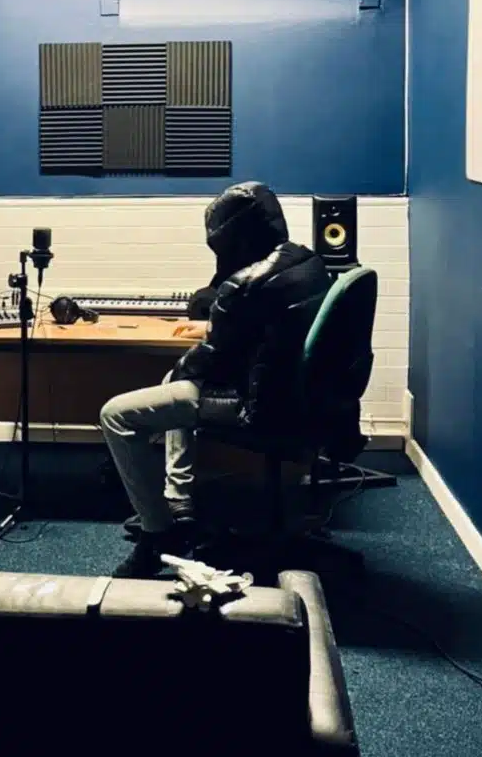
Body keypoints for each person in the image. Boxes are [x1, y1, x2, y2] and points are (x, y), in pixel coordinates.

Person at [99, 182, 333, 578]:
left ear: (232, 238)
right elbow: (263, 330)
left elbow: (206, 365)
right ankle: (179, 501)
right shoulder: (307, 262)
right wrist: (213, 330)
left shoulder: (244, 285)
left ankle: (158, 535)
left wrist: (196, 349)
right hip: (299, 394)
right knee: (171, 385)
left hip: (257, 406)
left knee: (117, 414)